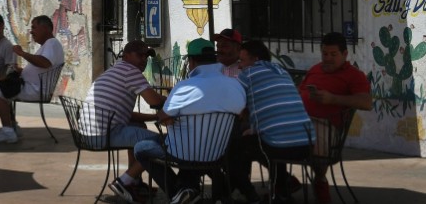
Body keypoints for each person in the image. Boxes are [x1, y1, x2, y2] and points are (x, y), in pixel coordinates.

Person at [133, 38, 246, 204]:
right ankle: (188, 190)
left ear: (192, 61)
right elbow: (240, 113)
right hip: (217, 152)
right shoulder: (235, 86)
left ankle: (179, 193)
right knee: (195, 150)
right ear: (214, 59)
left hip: (182, 152)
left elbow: (163, 117)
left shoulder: (184, 87)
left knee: (141, 148)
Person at [228, 40, 315, 204]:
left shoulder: (248, 74)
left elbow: (232, 103)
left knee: (234, 148)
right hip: (307, 145)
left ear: (255, 59)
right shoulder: (281, 71)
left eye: (242, 60)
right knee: (261, 139)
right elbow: (273, 109)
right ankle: (282, 190)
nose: (239, 65)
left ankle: (246, 194)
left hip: (280, 147)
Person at [83, 39, 166, 203]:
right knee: (159, 143)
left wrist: (155, 117)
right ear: (126, 55)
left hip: (88, 134)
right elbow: (154, 101)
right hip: (103, 134)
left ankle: (135, 182)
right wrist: (176, 102)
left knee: (138, 125)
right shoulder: (131, 72)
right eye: (139, 55)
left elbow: (127, 115)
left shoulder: (114, 71)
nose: (144, 59)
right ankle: (124, 182)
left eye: (146, 57)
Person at [298, 32, 372, 204]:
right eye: (325, 54)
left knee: (314, 140)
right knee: (261, 136)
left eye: (333, 54)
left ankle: (319, 182)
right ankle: (283, 182)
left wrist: (333, 99)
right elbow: (299, 90)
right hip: (299, 121)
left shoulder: (354, 75)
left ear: (345, 54)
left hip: (326, 126)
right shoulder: (315, 69)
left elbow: (367, 103)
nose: (328, 59)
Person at [0, 15, 64, 144]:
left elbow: (45, 63)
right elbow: (42, 67)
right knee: (3, 86)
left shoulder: (52, 43)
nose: (31, 31)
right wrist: (22, 71)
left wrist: (22, 54)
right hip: (32, 87)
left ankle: (8, 131)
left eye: (34, 27)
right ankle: (12, 127)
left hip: (35, 90)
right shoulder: (49, 45)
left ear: (45, 28)